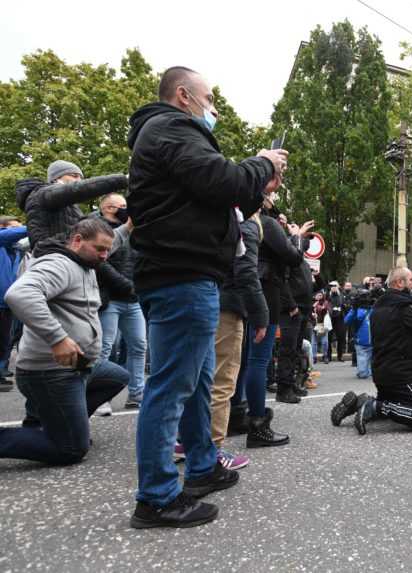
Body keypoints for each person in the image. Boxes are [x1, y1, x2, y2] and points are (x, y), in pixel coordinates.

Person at [126, 65, 287, 529]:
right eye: (209, 97)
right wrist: (262, 163)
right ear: (184, 95)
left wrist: (259, 184)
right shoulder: (172, 128)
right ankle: (156, 497)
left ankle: (201, 466)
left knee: (195, 382)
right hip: (181, 273)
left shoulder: (163, 135)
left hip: (185, 273)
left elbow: (224, 201)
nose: (212, 106)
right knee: (172, 386)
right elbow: (227, 182)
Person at [0, 219, 125, 464]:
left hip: (77, 364)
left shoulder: (85, 261)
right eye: (100, 249)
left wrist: (130, 224)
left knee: (117, 377)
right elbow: (19, 294)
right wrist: (58, 339)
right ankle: (57, 433)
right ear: (77, 241)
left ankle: (46, 421)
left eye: (108, 250)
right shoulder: (60, 264)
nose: (105, 256)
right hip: (51, 372)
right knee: (70, 449)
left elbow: (114, 239)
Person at [332, 267, 412, 435]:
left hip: (381, 376)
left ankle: (362, 402)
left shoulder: (377, 309)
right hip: (402, 375)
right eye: (411, 280)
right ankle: (374, 406)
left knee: (394, 407)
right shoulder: (403, 307)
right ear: (400, 283)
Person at [230, 198, 301, 444]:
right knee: (258, 361)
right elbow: (294, 257)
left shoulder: (235, 220)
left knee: (241, 360)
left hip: (242, 292)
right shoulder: (266, 224)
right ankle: (258, 423)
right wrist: (296, 237)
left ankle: (234, 416)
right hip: (266, 292)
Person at [208, 211, 269, 468]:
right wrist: (260, 313)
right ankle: (210, 451)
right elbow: (245, 270)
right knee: (222, 380)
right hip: (228, 306)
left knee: (198, 377)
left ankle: (184, 442)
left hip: (205, 296)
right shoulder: (247, 223)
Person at [93, 193, 147, 410]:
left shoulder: (135, 230)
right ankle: (100, 398)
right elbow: (101, 264)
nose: (127, 209)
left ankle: (137, 393)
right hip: (111, 299)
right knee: (106, 348)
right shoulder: (98, 231)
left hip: (133, 299)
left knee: (139, 346)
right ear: (108, 208)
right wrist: (125, 284)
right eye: (122, 206)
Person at [15, 160, 128, 251]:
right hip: (54, 258)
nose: (78, 180)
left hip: (66, 257)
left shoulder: (70, 207)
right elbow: (78, 189)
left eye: (80, 178)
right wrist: (124, 180)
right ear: (56, 178)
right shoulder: (42, 193)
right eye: (74, 175)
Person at [274, 220, 315, 404]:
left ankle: (291, 384)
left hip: (302, 310)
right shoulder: (288, 256)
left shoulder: (303, 263)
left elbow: (309, 286)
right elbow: (283, 281)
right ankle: (284, 388)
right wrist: (291, 305)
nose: (306, 242)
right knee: (287, 350)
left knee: (296, 350)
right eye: (303, 238)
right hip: (291, 309)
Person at [0, 216, 27, 391]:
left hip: (8, 302)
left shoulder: (17, 250)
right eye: (12, 229)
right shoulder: (2, 239)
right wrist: (33, 224)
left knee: (5, 340)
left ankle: (1, 372)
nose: (16, 233)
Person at [344, 289, 374, 380]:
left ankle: (367, 371)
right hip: (363, 342)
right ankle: (366, 371)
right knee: (363, 373)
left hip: (371, 342)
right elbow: (346, 321)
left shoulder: (373, 309)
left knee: (366, 372)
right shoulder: (358, 310)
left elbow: (346, 321)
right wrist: (354, 309)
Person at [328, 281, 347, 362]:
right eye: (332, 286)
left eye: (335, 285)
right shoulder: (327, 295)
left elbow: (344, 305)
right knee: (329, 337)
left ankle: (340, 356)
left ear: (338, 286)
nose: (333, 287)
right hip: (330, 318)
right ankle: (328, 356)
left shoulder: (341, 295)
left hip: (340, 318)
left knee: (341, 337)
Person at [312, 291, 331, 364]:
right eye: (318, 295)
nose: (319, 297)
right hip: (314, 324)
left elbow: (328, 310)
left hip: (323, 324)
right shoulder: (312, 303)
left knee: (324, 342)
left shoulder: (325, 303)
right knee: (314, 342)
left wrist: (320, 308)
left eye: (320, 295)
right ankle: (314, 357)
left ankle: (325, 356)